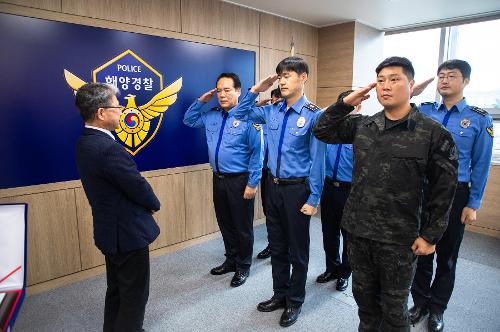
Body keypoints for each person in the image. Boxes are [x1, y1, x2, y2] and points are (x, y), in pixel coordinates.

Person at [313, 56, 458, 331]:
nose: (386, 86)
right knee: (366, 306)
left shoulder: (432, 133)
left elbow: (444, 188)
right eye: (380, 81)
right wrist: (346, 103)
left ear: (411, 84)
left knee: (394, 311)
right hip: (359, 233)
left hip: (399, 239)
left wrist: (430, 235)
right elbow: (321, 129)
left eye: (394, 79)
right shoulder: (363, 126)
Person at [232, 56, 326, 327]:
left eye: (288, 75)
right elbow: (239, 113)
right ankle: (280, 294)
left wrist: (314, 197)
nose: (283, 80)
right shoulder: (271, 110)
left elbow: (317, 160)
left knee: (298, 250)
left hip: (298, 190)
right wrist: (256, 89)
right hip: (272, 187)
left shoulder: (313, 114)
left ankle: (295, 301)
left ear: (303, 77)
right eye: (280, 76)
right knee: (278, 246)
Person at [409, 60, 494, 332]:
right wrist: (416, 88)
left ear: (465, 81)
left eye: (451, 76)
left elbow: (481, 164)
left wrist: (473, 203)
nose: (444, 80)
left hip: (455, 194)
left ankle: (437, 309)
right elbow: (399, 105)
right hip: (422, 191)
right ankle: (419, 302)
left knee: (446, 255)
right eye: (441, 76)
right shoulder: (423, 111)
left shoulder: (479, 118)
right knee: (420, 249)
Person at [74, 83, 161, 332]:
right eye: (117, 107)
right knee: (133, 295)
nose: (121, 111)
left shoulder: (85, 142)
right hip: (127, 234)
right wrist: (154, 204)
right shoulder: (108, 149)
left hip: (109, 231)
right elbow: (137, 186)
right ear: (101, 113)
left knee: (116, 289)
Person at [183, 73, 263, 287]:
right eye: (219, 90)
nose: (222, 95)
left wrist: (252, 183)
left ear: (238, 91)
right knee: (225, 223)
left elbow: (258, 153)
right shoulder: (212, 115)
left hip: (240, 180)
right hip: (218, 178)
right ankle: (231, 259)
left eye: (227, 90)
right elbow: (189, 120)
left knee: (242, 226)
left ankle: (243, 266)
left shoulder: (249, 118)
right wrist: (201, 101)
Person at [316, 90, 356, 292]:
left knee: (348, 235)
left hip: (350, 191)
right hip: (328, 187)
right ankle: (331, 268)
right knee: (328, 231)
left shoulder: (361, 132)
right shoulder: (329, 131)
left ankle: (344, 273)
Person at [256, 87, 282, 260]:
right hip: (267, 174)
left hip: (285, 177)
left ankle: (283, 248)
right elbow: (244, 114)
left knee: (284, 214)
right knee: (269, 212)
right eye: (273, 100)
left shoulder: (285, 123)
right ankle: (272, 245)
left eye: (278, 100)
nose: (275, 103)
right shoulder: (264, 120)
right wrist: (260, 104)